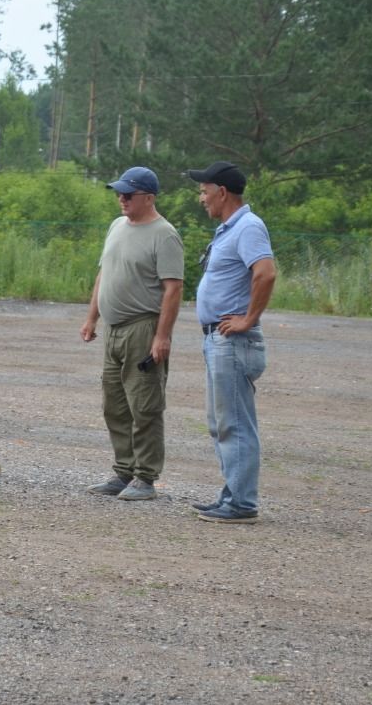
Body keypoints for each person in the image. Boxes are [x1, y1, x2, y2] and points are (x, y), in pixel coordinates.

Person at [80, 166, 184, 502]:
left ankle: (145, 477)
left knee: (145, 405)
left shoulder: (164, 234)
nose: (121, 199)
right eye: (119, 193)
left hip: (143, 327)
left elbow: (173, 289)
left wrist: (162, 336)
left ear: (149, 197)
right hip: (113, 329)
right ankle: (122, 470)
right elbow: (104, 274)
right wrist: (92, 317)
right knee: (115, 404)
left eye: (129, 194)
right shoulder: (116, 226)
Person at [187, 161, 276, 524]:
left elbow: (266, 272)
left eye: (204, 191)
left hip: (233, 342)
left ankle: (242, 503)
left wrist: (248, 318)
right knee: (222, 422)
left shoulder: (249, 227)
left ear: (222, 192)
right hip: (218, 340)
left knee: (235, 423)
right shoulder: (230, 229)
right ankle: (232, 493)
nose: (201, 198)